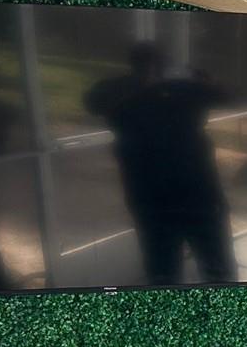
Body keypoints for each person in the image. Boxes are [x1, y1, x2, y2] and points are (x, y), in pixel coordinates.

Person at [85, 42, 234, 284]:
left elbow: (225, 97)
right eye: (149, 64)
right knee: (164, 268)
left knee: (211, 263)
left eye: (159, 64)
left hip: (192, 192)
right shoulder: (118, 89)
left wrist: (204, 80)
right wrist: (144, 84)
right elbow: (93, 103)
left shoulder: (185, 86)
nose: (156, 70)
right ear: (135, 66)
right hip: (158, 196)